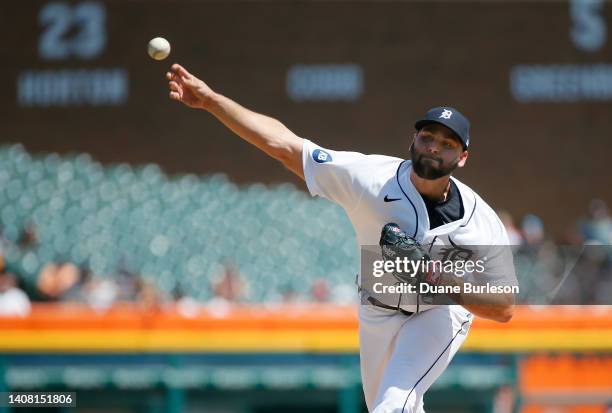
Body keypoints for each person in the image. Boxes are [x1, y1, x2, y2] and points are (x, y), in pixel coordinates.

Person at [166, 63, 516, 412]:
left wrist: (432, 276)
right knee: (388, 406)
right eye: (427, 137)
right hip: (377, 308)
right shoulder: (371, 179)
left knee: (394, 406)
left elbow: (503, 307)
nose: (434, 148)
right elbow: (284, 145)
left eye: (448, 143)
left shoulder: (479, 220)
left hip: (438, 314)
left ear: (463, 157)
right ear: (413, 140)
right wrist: (212, 102)